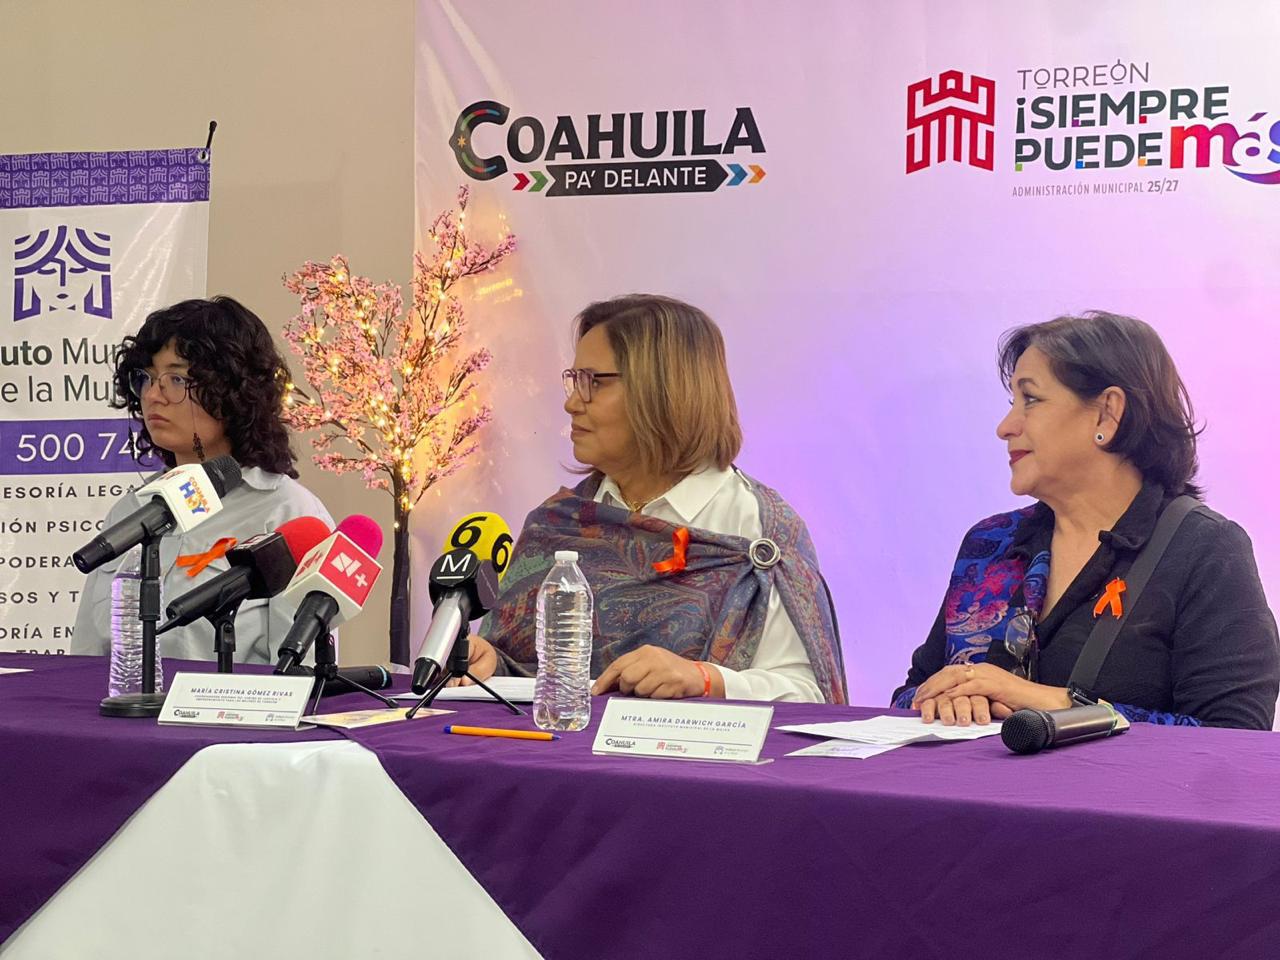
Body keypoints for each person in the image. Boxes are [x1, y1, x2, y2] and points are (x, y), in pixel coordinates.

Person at [893, 311, 1278, 729]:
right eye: (1012, 404)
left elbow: (1234, 737)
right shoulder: (990, 543)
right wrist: (946, 701)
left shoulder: (1205, 548)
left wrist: (1052, 702)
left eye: (1031, 399)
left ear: (1106, 415)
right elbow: (910, 695)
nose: (1005, 427)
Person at [462, 294, 846, 703]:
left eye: (594, 382)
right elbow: (535, 676)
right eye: (574, 380)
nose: (571, 403)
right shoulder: (556, 525)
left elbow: (811, 698)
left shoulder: (758, 535)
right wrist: (493, 664)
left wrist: (706, 680)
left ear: (662, 389)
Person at [71, 297, 333, 664]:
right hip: (123, 701)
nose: (152, 395)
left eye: (177, 379)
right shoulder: (133, 509)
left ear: (233, 392)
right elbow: (84, 660)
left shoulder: (289, 513)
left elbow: (298, 672)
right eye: (146, 378)